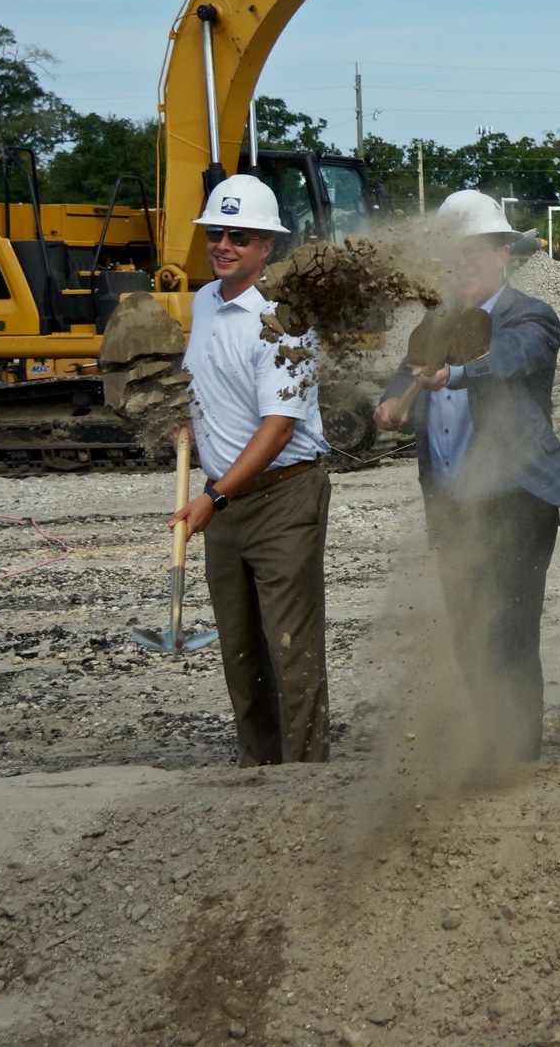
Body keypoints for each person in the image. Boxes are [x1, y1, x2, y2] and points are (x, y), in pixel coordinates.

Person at [374, 191, 560, 763]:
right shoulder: (434, 322)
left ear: (503, 254)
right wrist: (390, 405)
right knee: (469, 633)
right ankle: (486, 745)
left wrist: (457, 372)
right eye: (452, 252)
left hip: (516, 500)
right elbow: (402, 380)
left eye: (474, 251)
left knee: (510, 635)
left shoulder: (532, 316)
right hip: (452, 505)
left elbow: (513, 357)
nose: (462, 262)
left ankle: (516, 761)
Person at [170, 174, 333, 766]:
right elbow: (205, 382)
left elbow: (278, 428)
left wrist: (212, 496)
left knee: (291, 649)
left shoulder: (284, 320)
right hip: (226, 500)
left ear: (267, 247)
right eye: (216, 232)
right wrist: (186, 420)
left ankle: (308, 776)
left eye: (240, 235)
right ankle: (257, 770)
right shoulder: (204, 303)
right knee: (239, 650)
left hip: (282, 497)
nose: (223, 244)